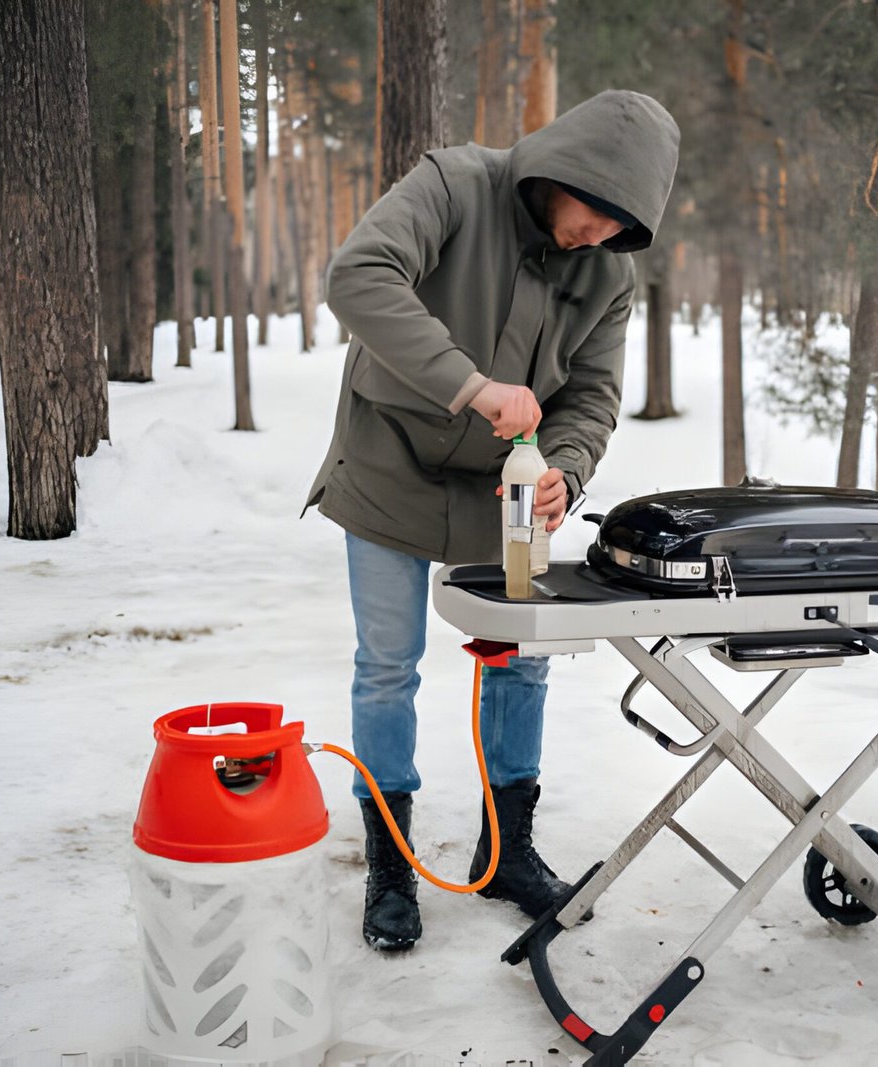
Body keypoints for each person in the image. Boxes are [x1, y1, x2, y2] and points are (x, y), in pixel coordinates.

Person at [303, 90, 680, 951]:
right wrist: (470, 387)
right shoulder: (454, 184)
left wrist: (566, 472)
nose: (597, 236)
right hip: (388, 463)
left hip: (506, 491)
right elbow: (357, 275)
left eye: (622, 227)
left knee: (522, 670)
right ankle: (391, 864)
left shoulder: (608, 274)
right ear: (565, 170)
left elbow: (591, 396)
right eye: (595, 212)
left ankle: (508, 850)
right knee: (387, 666)